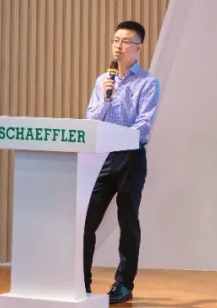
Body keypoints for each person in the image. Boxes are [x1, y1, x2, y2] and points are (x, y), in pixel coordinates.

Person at [82, 20, 161, 304]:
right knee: (86, 220)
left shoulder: (148, 83)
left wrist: (117, 138)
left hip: (131, 158)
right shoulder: (103, 81)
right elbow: (91, 120)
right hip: (103, 158)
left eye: (126, 41)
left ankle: (124, 284)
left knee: (127, 220)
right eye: (116, 40)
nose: (118, 46)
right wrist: (107, 98)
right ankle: (81, 280)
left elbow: (143, 126)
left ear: (138, 47)